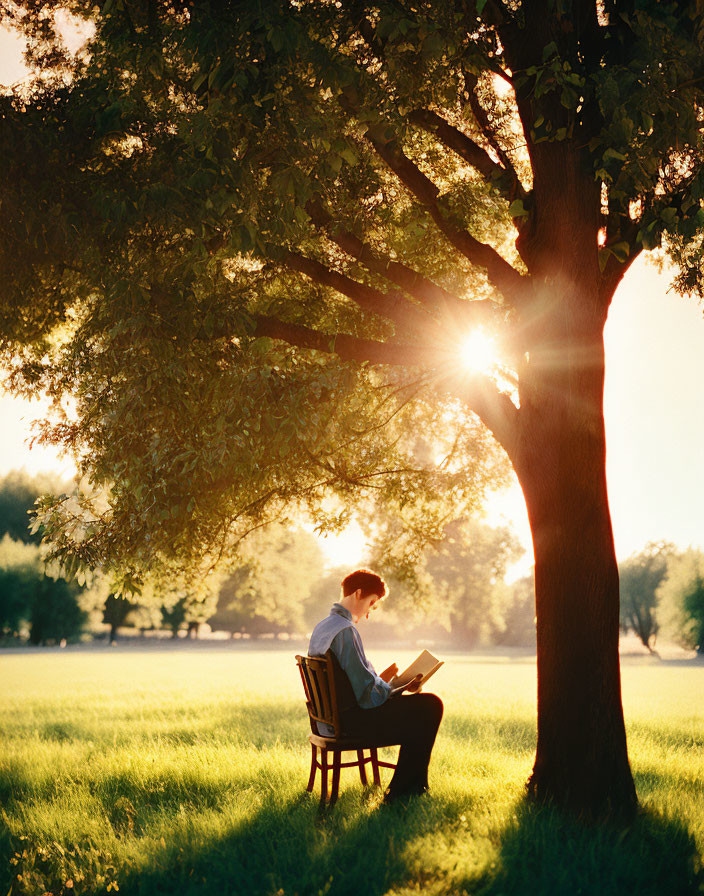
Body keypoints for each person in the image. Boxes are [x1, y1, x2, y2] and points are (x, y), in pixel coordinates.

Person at [308, 568, 444, 803]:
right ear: (358, 594)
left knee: (421, 708)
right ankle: (405, 792)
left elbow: (352, 681)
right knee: (430, 705)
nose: (369, 613)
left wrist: (389, 684)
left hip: (329, 719)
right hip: (351, 721)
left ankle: (408, 788)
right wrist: (395, 687)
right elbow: (367, 696)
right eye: (371, 603)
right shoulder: (345, 631)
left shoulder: (323, 627)